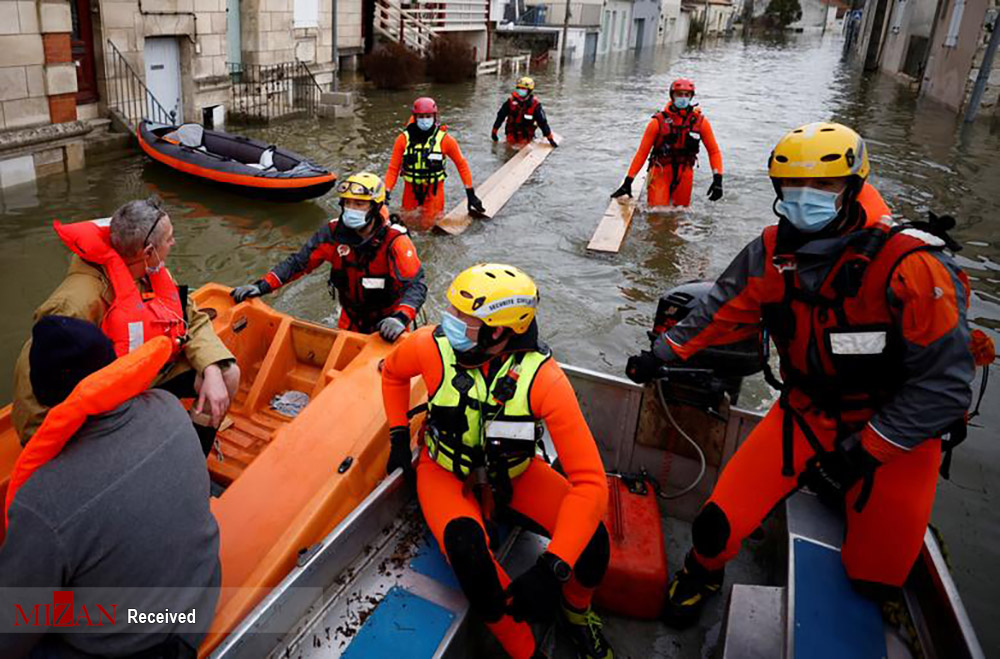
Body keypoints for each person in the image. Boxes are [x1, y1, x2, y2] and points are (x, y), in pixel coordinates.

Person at [625, 122, 976, 627]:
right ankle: (701, 574)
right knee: (714, 527)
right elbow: (721, 308)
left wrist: (860, 455)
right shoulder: (772, 251)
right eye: (792, 187)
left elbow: (942, 391)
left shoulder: (914, 266)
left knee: (873, 580)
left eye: (825, 185)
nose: (805, 197)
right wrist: (662, 353)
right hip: (806, 411)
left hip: (896, 436)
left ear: (853, 187)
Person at [382, 264, 613, 659]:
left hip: (516, 475)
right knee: (470, 558)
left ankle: (577, 613)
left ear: (499, 331)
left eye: (463, 318)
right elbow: (391, 374)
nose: (449, 322)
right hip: (444, 473)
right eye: (452, 311)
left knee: (593, 544)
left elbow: (591, 483)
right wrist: (399, 436)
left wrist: (553, 567)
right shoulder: (427, 346)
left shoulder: (544, 380)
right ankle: (524, 650)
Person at [0, 316, 221, 658]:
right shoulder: (168, 407)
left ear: (41, 396)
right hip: (200, 598)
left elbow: (11, 632)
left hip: (141, 646)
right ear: (111, 366)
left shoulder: (42, 502)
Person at [12, 197, 240, 456]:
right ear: (147, 252)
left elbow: (191, 318)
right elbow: (35, 377)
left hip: (146, 374)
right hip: (107, 398)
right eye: (170, 238)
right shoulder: (75, 303)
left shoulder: (150, 270)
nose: (174, 243)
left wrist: (211, 368)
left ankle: (195, 453)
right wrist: (46, 445)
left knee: (226, 374)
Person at [231, 172, 427, 343]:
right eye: (348, 203)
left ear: (375, 207)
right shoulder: (332, 233)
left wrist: (400, 318)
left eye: (359, 204)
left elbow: (415, 285)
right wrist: (261, 286)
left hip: (389, 323)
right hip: (351, 318)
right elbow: (299, 263)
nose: (352, 209)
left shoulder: (395, 240)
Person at [611, 78, 723, 208]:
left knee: (680, 215)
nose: (683, 98)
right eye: (679, 94)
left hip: (685, 173)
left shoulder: (700, 122)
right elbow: (642, 153)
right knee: (657, 214)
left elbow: (714, 152)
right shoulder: (657, 122)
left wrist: (717, 179)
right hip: (660, 172)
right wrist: (628, 181)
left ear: (691, 97)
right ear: (672, 96)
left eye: (687, 95)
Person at [384, 97, 486, 228]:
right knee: (408, 227)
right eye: (421, 116)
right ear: (415, 117)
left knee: (429, 227)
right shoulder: (403, 140)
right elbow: (393, 169)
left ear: (434, 117)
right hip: (410, 191)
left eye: (428, 116)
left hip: (434, 192)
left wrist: (470, 194)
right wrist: (386, 193)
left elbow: (462, 165)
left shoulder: (445, 140)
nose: (424, 120)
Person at [491, 76, 558, 147]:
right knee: (509, 148)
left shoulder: (535, 105)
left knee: (523, 146)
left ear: (529, 91)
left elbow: (543, 123)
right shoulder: (510, 102)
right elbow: (500, 117)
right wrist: (494, 132)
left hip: (526, 136)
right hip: (511, 133)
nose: (520, 91)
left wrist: (550, 139)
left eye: (523, 89)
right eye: (519, 89)